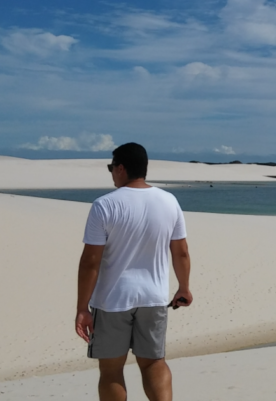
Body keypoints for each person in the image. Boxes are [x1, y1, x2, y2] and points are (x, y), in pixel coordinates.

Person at [75, 142, 192, 401]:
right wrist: (184, 287)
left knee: (111, 370)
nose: (112, 173)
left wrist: (82, 308)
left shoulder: (104, 205)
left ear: (121, 168)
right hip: (154, 298)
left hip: (112, 300)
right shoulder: (169, 201)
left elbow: (90, 262)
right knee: (154, 363)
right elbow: (181, 252)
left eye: (111, 168)